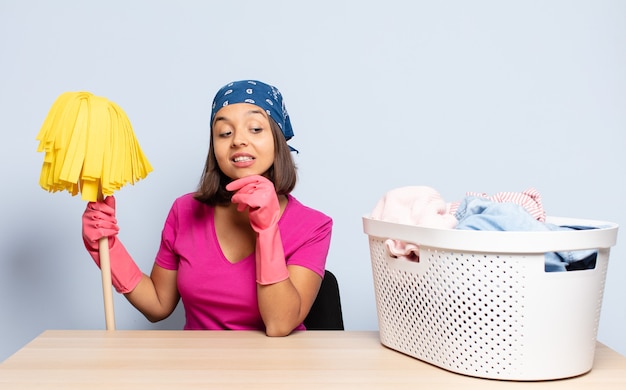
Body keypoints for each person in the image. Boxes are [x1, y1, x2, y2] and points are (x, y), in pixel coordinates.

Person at [81, 80, 333, 336]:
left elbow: (279, 325)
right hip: (196, 369)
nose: (238, 141)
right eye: (224, 132)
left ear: (278, 139)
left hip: (276, 371)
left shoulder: (314, 226)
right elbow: (158, 305)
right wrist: (106, 248)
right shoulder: (185, 211)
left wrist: (267, 231)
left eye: (255, 128)